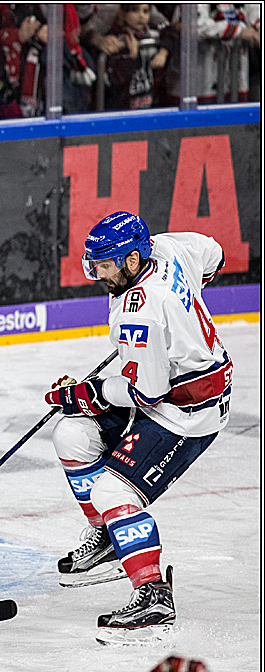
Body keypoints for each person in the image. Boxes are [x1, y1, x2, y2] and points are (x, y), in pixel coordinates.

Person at [45, 211, 231, 642]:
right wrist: (185, 311)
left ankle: (152, 593)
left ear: (131, 261)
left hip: (187, 411)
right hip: (173, 386)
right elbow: (215, 255)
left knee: (112, 490)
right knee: (71, 435)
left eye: (105, 266)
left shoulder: (142, 314)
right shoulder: (165, 247)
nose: (97, 275)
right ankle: (111, 536)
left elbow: (146, 394)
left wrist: (85, 393)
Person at [104, 4, 179, 110]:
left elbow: (172, 31)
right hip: (121, 107)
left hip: (150, 101)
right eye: (134, 10)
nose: (141, 16)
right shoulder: (114, 39)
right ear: (122, 13)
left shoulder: (152, 34)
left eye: (145, 11)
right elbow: (116, 79)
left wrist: (163, 53)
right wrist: (133, 56)